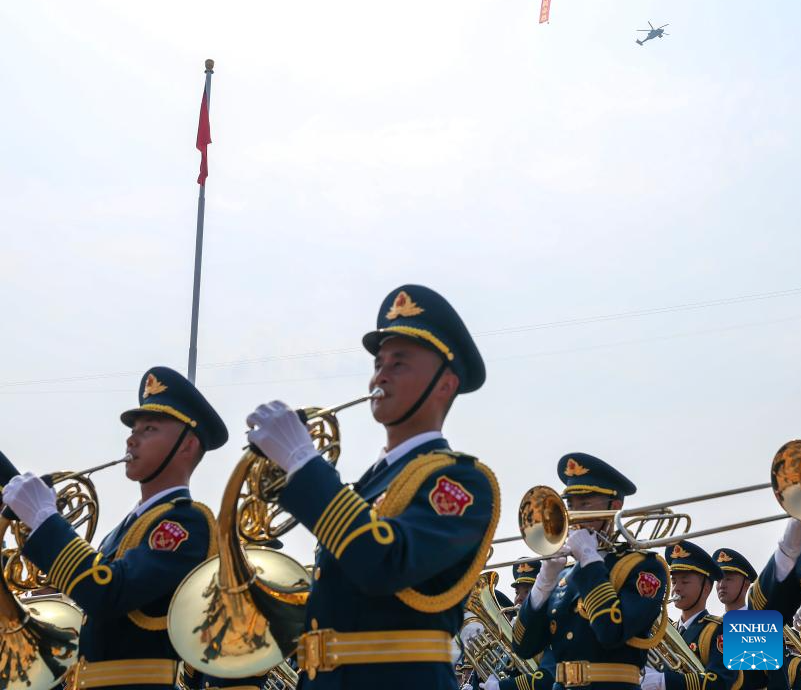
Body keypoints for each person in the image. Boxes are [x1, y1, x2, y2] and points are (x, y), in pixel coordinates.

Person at [247, 284, 500, 689]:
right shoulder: (369, 483)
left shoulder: (461, 481)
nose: (380, 375)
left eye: (399, 363)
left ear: (445, 385)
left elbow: (384, 563)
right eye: (379, 363)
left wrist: (303, 462)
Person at [2, 367, 227, 690]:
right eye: (133, 429)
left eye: (149, 428)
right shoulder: (123, 529)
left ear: (187, 446)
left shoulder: (187, 522)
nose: (131, 438)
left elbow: (107, 593)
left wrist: (45, 520)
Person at [510, 453, 668, 690]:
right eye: (570, 505)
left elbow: (611, 631)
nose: (573, 515)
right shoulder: (566, 576)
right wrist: (545, 580)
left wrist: (588, 558)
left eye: (584, 504)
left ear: (615, 506)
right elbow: (523, 647)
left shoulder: (642, 567)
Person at [643, 540, 742, 690]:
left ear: (706, 588)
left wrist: (663, 681)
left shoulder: (723, 629)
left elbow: (720, 682)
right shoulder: (666, 629)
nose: (676, 588)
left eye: (685, 582)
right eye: (674, 581)